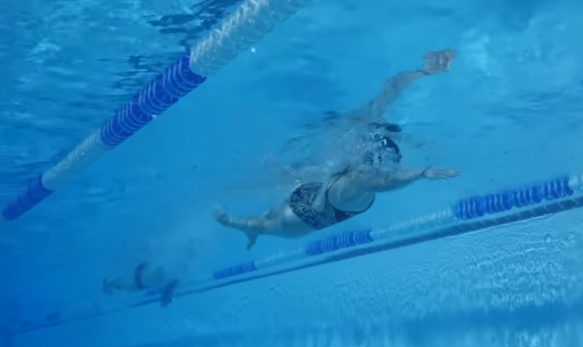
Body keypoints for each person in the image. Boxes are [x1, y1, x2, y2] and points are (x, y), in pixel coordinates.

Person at [214, 49, 459, 249]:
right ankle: (250, 228)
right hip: (306, 197)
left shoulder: (360, 183)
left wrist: (421, 173)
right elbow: (385, 96)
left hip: (295, 222)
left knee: (263, 224)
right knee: (266, 216)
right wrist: (422, 72)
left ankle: (239, 225)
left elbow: (386, 183)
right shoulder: (359, 171)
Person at [103, 262, 179, 306]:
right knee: (128, 285)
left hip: (141, 281)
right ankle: (109, 282)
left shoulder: (169, 275)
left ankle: (110, 283)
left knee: (128, 285)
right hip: (141, 280)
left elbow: (172, 283)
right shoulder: (167, 272)